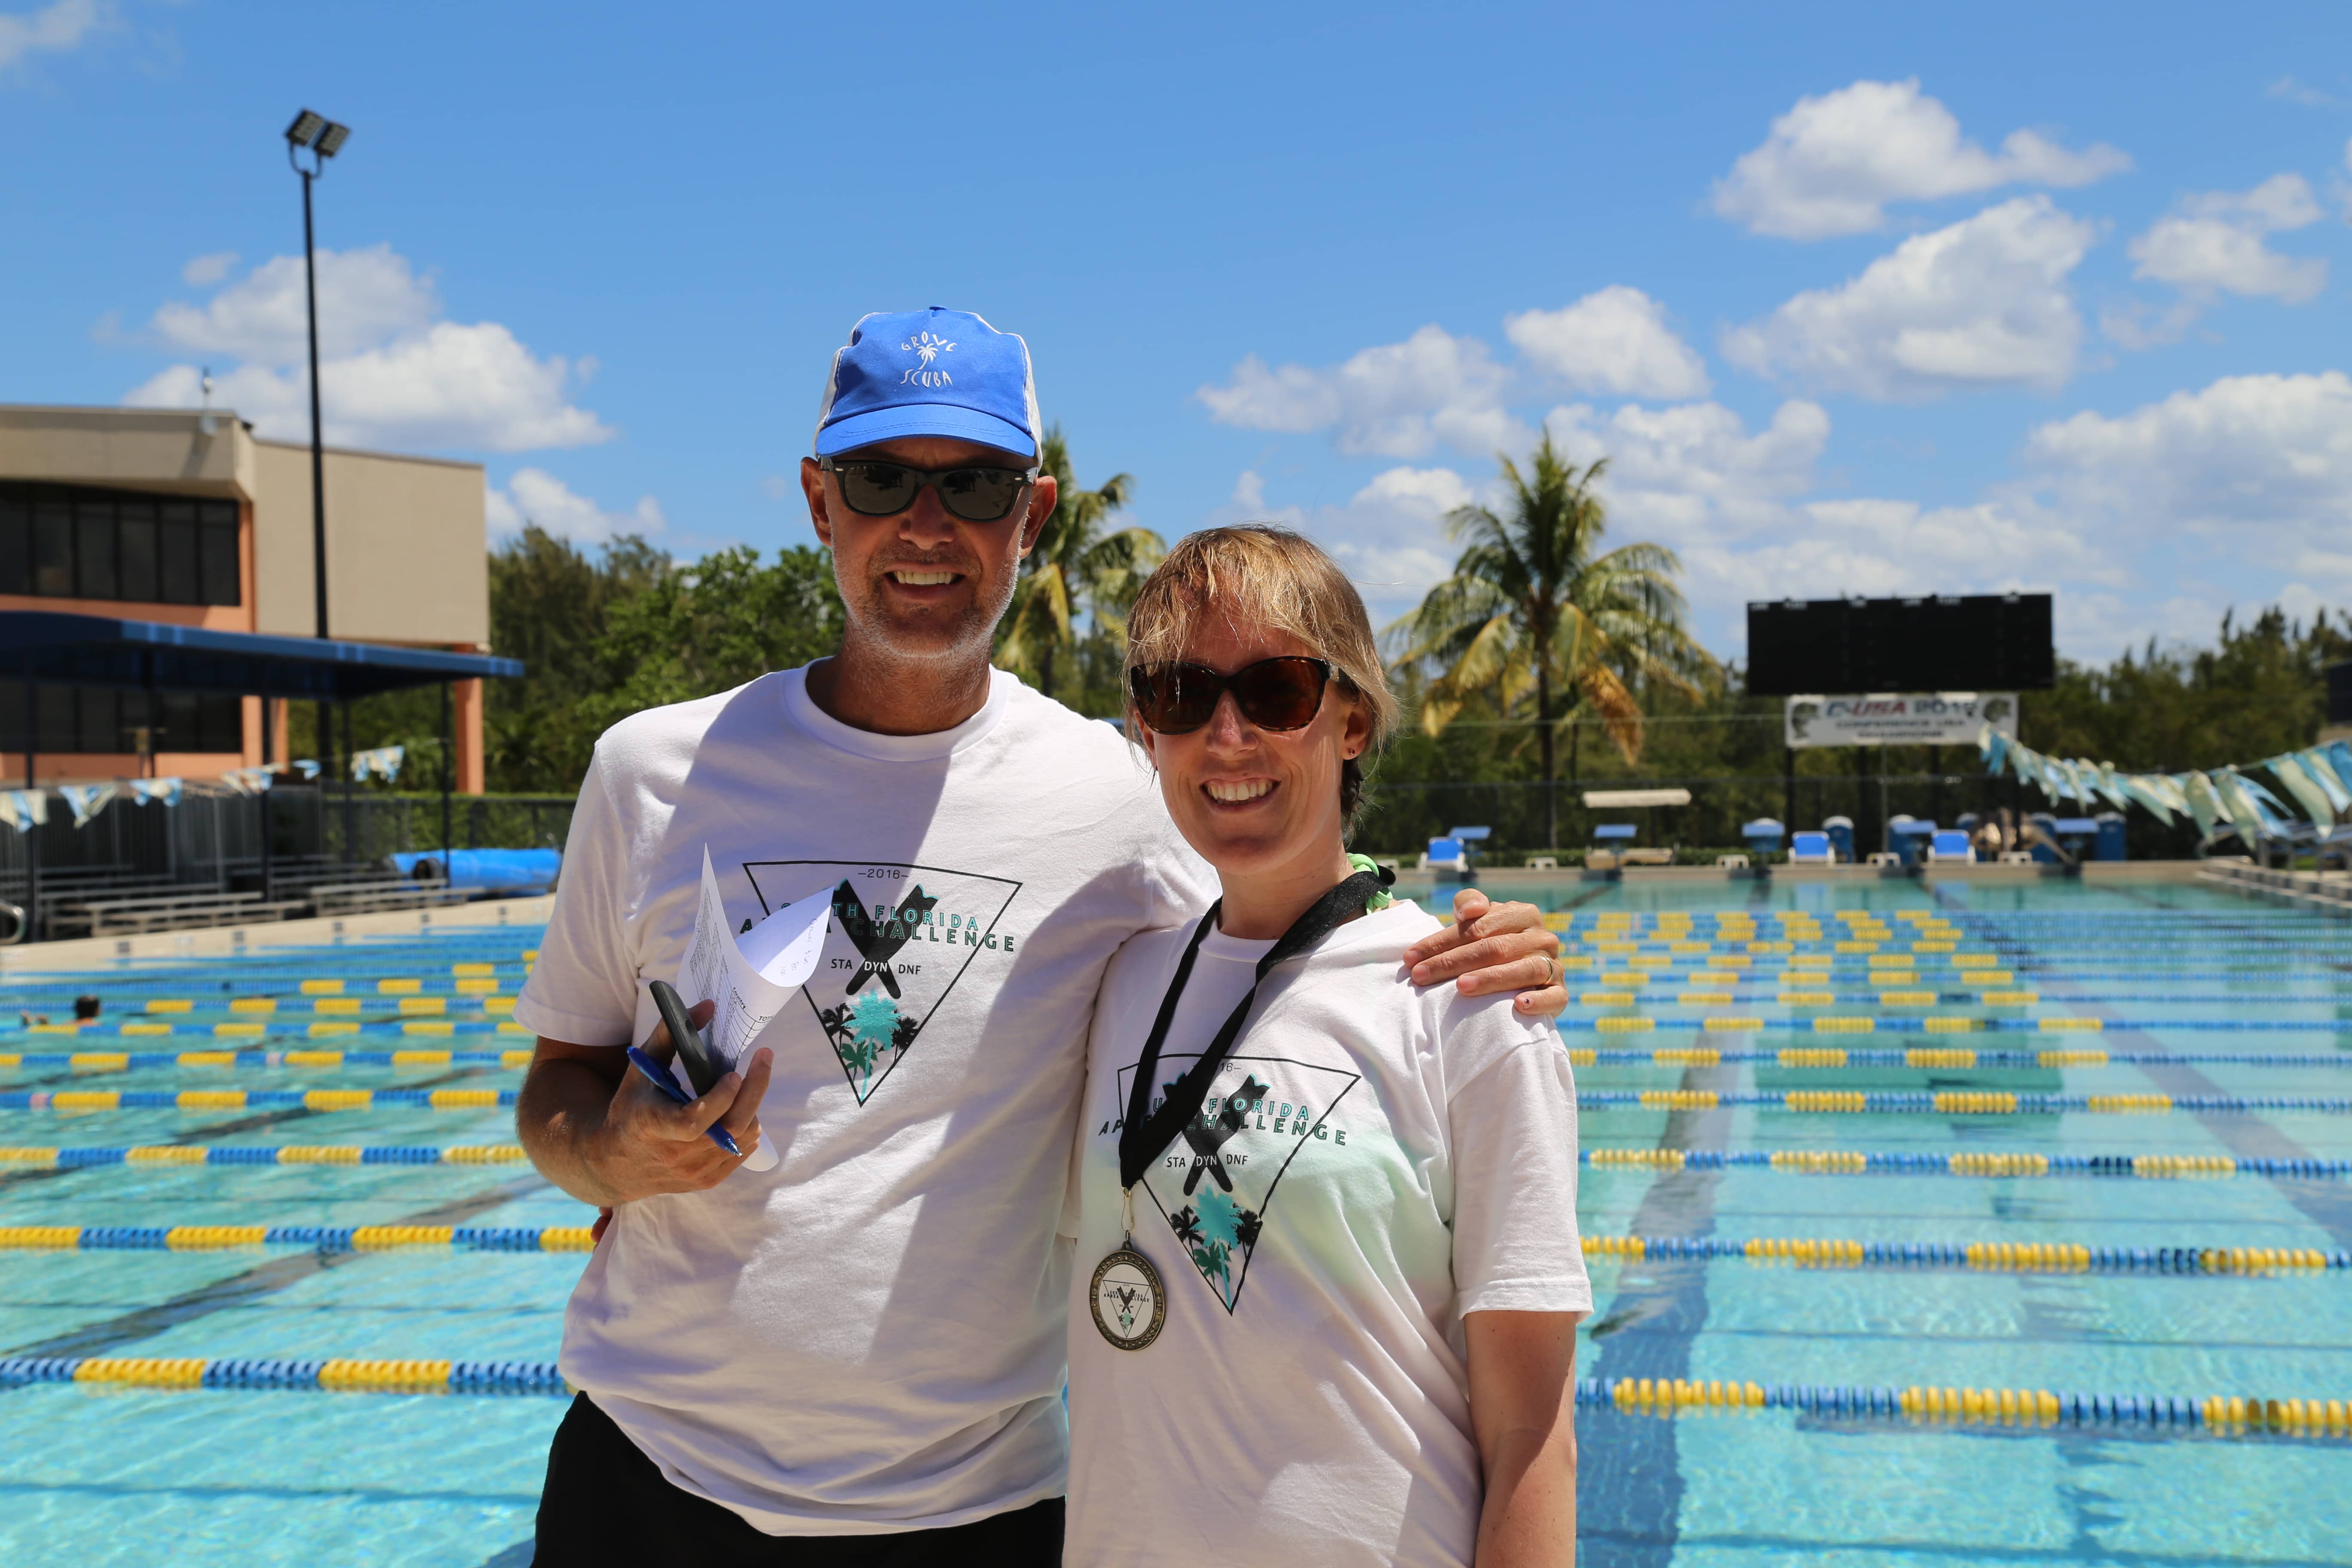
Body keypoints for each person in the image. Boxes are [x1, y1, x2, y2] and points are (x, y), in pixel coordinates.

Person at [511, 307, 1571, 1565]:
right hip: (649, 1476)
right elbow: (554, 1098)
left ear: (1035, 513)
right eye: (881, 479)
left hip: (974, 1512)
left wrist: (1494, 944)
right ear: (818, 501)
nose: (925, 524)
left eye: (973, 485)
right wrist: (615, 1153)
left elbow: (1293, 908)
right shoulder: (652, 774)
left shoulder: (1120, 793)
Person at [1065, 527, 1588, 1567]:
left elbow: (1533, 1438)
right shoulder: (1123, 980)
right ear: (1146, 729)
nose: (1227, 736)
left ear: (1350, 717)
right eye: (1182, 696)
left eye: (1276, 691)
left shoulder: (1466, 1001)